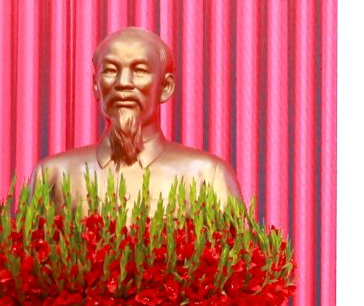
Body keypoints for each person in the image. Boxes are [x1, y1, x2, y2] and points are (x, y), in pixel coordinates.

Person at [36, 27, 242, 202]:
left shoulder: (207, 176)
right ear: (96, 85)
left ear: (166, 87)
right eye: (110, 71)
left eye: (140, 71)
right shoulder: (53, 175)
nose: (123, 82)